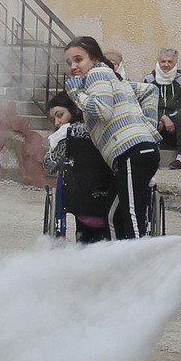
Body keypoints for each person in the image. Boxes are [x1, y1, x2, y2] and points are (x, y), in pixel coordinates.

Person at [63, 36, 163, 239]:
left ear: (93, 58)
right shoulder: (112, 78)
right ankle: (118, 263)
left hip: (131, 152)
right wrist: (148, 130)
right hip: (138, 150)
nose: (73, 66)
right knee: (112, 215)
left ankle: (140, 265)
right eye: (69, 62)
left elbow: (103, 110)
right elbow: (150, 90)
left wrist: (75, 94)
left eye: (78, 59)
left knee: (133, 218)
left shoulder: (97, 73)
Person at [41, 92, 112, 244]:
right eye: (54, 118)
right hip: (113, 200)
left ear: (74, 110)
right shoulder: (108, 128)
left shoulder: (68, 134)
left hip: (80, 201)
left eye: (60, 115)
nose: (57, 122)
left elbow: (49, 166)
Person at [148, 48, 181, 167]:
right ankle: (152, 154)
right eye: (163, 61)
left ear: (175, 63)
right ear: (158, 62)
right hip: (155, 114)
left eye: (170, 62)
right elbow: (145, 105)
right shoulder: (148, 80)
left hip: (174, 115)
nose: (166, 65)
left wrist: (168, 118)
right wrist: (161, 117)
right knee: (147, 117)